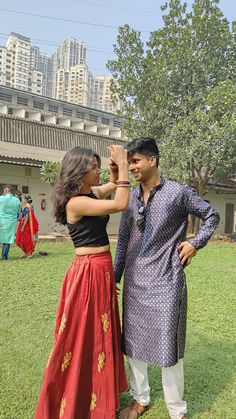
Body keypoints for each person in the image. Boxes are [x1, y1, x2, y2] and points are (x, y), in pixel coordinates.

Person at [114, 137, 220, 419]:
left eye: (136, 161)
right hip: (135, 283)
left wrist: (195, 243)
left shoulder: (178, 193)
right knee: (133, 345)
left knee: (168, 347)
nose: (132, 167)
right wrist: (115, 277)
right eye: (130, 162)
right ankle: (140, 399)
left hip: (166, 280)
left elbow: (211, 215)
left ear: (153, 160)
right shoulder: (130, 197)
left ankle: (177, 411)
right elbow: (123, 240)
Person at [35, 145, 130, 419]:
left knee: (101, 332)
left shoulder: (90, 193)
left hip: (100, 270)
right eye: (93, 166)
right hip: (87, 271)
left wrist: (114, 172)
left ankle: (100, 395)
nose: (96, 170)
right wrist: (123, 165)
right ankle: (76, 394)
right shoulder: (76, 202)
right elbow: (121, 203)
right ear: (79, 171)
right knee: (81, 335)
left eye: (98, 165)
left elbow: (112, 187)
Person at [0, 185, 21, 261]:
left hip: (1, 220)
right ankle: (4, 257)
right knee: (7, 240)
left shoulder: (1, 198)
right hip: (11, 222)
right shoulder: (17, 200)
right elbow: (19, 211)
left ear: (5, 191)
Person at [16, 194, 39, 259]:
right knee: (26, 239)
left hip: (27, 226)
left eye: (23, 198)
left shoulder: (27, 207)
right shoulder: (30, 206)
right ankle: (26, 253)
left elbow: (26, 218)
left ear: (26, 200)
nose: (22, 199)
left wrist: (23, 226)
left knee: (26, 240)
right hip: (28, 225)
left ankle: (29, 254)